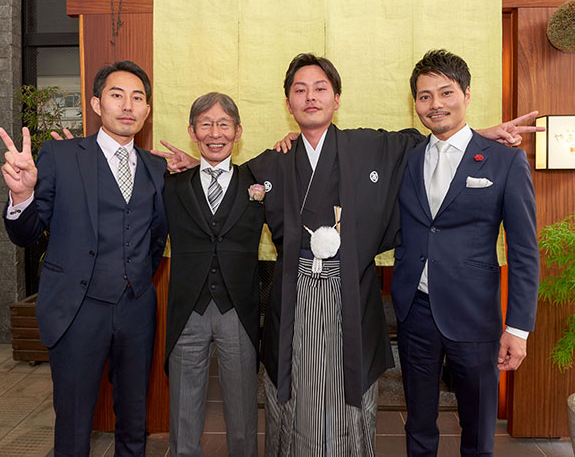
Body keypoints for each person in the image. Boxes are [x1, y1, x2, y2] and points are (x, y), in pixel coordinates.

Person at [157, 53, 539, 455]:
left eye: (320, 88)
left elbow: (438, 139)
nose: (310, 97)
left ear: (336, 98)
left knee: (347, 391)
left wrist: (486, 133)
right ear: (288, 103)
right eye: (299, 90)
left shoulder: (370, 145)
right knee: (298, 387)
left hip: (350, 293)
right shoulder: (274, 161)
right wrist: (194, 164)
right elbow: (229, 180)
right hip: (296, 296)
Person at [0, 60, 168, 456]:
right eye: (116, 95)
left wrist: (136, 278)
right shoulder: (60, 155)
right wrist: (21, 196)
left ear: (146, 110)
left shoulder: (156, 168)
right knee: (73, 424)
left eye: (137, 97)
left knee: (134, 421)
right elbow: (26, 235)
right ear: (95, 104)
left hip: (136, 310)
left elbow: (156, 238)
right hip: (77, 310)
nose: (128, 105)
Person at [391, 49, 539, 456]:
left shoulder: (505, 162)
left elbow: (525, 251)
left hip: (474, 316)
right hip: (414, 311)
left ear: (467, 94)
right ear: (415, 104)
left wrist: (518, 328)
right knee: (418, 423)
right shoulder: (407, 157)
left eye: (445, 92)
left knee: (476, 429)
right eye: (424, 96)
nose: (435, 104)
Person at [163, 93, 263, 456]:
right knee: (183, 416)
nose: (215, 132)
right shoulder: (172, 184)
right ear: (192, 131)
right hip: (187, 310)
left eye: (223, 124)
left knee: (242, 416)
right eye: (206, 123)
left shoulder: (258, 183)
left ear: (238, 132)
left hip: (238, 310)